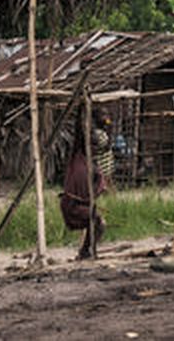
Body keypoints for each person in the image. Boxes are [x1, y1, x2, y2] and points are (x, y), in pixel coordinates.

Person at [60, 109, 112, 259]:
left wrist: (100, 187)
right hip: (71, 205)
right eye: (92, 146)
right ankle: (86, 251)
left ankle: (86, 251)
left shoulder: (95, 168)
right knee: (96, 220)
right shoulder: (77, 156)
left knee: (98, 222)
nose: (95, 150)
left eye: (97, 148)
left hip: (82, 206)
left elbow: (97, 189)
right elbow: (78, 133)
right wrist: (81, 110)